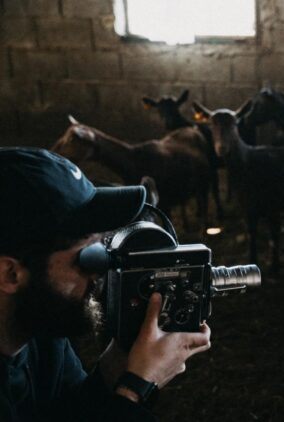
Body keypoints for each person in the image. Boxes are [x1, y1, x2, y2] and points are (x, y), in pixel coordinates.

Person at [0, 147, 212, 421]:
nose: (102, 271)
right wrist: (137, 387)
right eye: (88, 257)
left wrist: (122, 357)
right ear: (10, 274)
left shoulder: (40, 330)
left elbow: (70, 412)